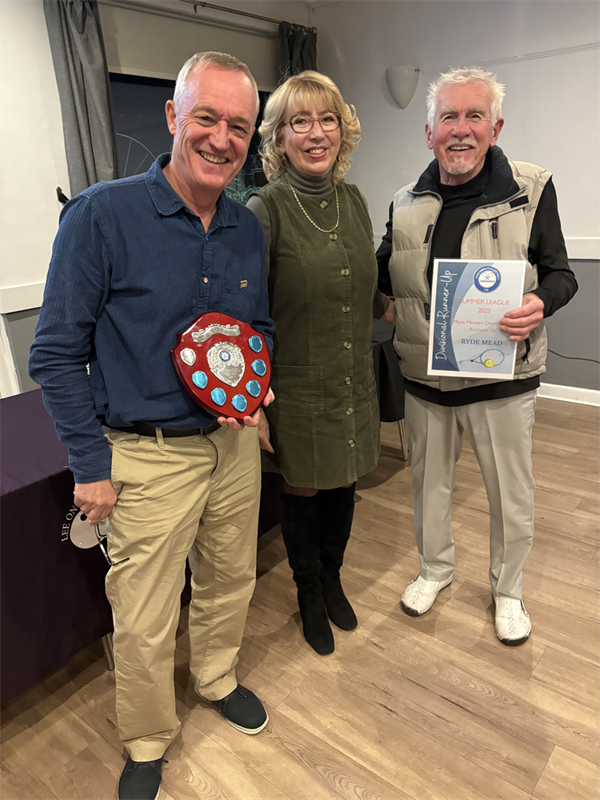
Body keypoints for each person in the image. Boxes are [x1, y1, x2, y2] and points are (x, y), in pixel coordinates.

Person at [29, 52, 275, 800]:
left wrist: (256, 392)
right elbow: (54, 353)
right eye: (206, 117)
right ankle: (146, 739)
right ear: (173, 117)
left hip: (232, 446)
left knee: (231, 578)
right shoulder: (101, 215)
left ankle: (216, 677)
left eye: (239, 126)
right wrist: (89, 464)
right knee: (142, 616)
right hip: (146, 455)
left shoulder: (246, 226)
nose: (221, 139)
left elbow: (255, 329)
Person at [377, 67, 577, 646]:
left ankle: (508, 590)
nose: (460, 129)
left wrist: (539, 303)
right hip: (425, 377)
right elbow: (382, 278)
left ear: (495, 127)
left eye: (474, 116)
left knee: (510, 495)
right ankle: (434, 569)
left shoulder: (531, 189)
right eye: (448, 117)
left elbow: (562, 275)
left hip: (502, 377)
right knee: (428, 488)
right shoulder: (404, 202)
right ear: (429, 131)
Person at [246, 71, 391, 656]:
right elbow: (245, 313)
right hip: (298, 390)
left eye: (327, 119)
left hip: (353, 381)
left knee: (345, 485)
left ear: (342, 130)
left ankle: (332, 578)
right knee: (305, 492)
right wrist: (255, 402)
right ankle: (308, 591)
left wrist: (425, 315)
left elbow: (367, 288)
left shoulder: (354, 201)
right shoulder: (265, 209)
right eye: (299, 122)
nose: (316, 133)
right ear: (280, 139)